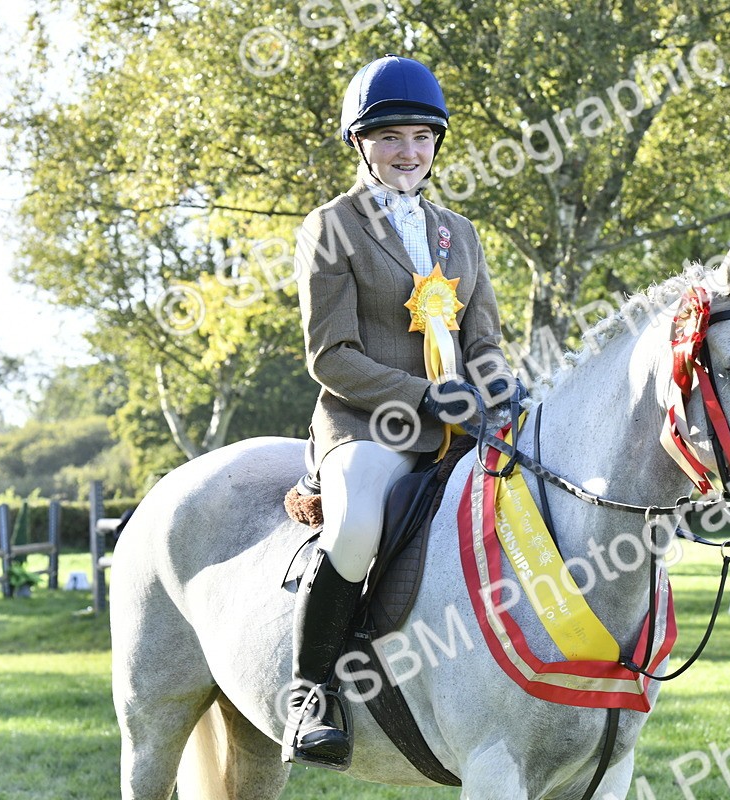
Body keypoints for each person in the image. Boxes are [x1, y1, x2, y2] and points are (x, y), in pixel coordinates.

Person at [284, 54, 519, 770]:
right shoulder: (331, 228)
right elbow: (331, 354)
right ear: (361, 143)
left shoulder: (460, 233)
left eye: (420, 136)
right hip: (368, 421)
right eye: (390, 137)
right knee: (356, 525)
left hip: (462, 426)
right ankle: (312, 691)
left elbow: (484, 341)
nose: (407, 152)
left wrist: (499, 387)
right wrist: (421, 395)